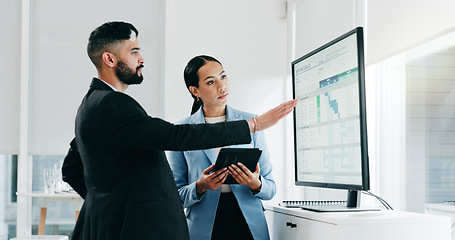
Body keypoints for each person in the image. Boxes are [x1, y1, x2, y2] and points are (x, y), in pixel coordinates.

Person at [62, 21, 297, 240]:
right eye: (134, 52)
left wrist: (106, 203)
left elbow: (71, 169)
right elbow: (175, 136)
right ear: (109, 59)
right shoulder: (113, 104)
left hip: (244, 224)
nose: (141, 59)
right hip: (146, 227)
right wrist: (252, 126)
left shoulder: (90, 105)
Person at [167, 55, 275, 240]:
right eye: (210, 82)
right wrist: (200, 186)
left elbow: (271, 188)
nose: (221, 86)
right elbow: (175, 197)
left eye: (223, 77)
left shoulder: (251, 123)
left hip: (248, 224)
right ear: (195, 90)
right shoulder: (181, 131)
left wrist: (254, 183)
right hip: (204, 227)